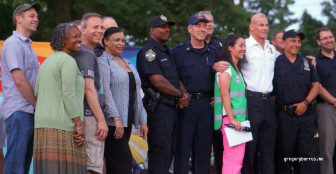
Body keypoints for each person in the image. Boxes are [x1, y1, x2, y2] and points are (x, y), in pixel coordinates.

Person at [137, 15, 189, 174]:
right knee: (160, 153)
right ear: (152, 31)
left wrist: (185, 93)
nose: (167, 30)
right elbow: (158, 81)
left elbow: (174, 78)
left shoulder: (167, 51)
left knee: (169, 152)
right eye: (162, 27)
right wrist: (180, 95)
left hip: (172, 109)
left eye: (168, 27)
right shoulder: (149, 52)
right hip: (159, 109)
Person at [33, 23, 86, 174]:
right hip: (63, 125)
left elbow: (37, 92)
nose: (79, 40)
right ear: (63, 40)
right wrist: (79, 124)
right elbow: (68, 93)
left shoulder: (46, 62)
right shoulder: (68, 61)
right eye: (75, 37)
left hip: (42, 125)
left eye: (79, 36)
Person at [171, 13, 220, 174]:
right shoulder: (177, 52)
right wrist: (178, 96)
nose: (202, 29)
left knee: (203, 153)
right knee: (182, 152)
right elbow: (171, 78)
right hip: (185, 106)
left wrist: (217, 96)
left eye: (204, 26)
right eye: (198, 26)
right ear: (189, 29)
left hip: (207, 107)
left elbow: (223, 80)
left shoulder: (214, 53)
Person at [98, 27, 148, 174]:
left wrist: (143, 121)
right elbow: (105, 91)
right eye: (116, 40)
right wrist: (116, 118)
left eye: (123, 40)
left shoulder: (128, 63)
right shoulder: (103, 61)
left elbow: (137, 94)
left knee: (117, 165)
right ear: (105, 42)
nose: (121, 43)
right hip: (113, 124)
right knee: (123, 164)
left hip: (128, 121)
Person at [0, 3, 41, 173]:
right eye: (31, 15)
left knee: (23, 166)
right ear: (18, 18)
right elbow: (20, 80)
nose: (36, 19)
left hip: (28, 111)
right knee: (15, 166)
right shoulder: (13, 44)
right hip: (19, 111)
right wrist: (38, 105)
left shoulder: (27, 46)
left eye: (37, 16)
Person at [274, 29, 319, 174]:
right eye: (293, 41)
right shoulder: (275, 63)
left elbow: (316, 85)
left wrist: (305, 103)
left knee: (307, 156)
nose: (297, 44)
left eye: (299, 41)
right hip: (284, 117)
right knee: (285, 156)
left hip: (306, 116)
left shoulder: (307, 61)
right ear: (284, 43)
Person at [240, 13, 278, 174]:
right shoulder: (244, 46)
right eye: (261, 25)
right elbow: (230, 64)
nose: (265, 28)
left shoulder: (272, 48)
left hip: (269, 103)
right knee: (250, 149)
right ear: (252, 27)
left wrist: (309, 59)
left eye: (266, 25)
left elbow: (286, 61)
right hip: (250, 101)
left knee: (269, 149)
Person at [73, 13, 108, 174]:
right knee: (92, 167)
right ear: (83, 30)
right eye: (95, 27)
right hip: (88, 116)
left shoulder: (85, 52)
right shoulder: (85, 53)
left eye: (101, 27)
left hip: (84, 115)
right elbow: (89, 89)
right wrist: (101, 120)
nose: (100, 31)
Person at [214, 34, 247, 174]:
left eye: (245, 45)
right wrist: (232, 119)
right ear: (230, 48)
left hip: (237, 120)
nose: (244, 49)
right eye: (241, 45)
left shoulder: (236, 69)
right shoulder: (226, 69)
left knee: (235, 160)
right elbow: (225, 93)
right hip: (231, 120)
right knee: (233, 160)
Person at [198, 11, 225, 174]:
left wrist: (220, 96)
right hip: (200, 103)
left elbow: (231, 73)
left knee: (221, 148)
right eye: (204, 21)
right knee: (201, 148)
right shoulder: (191, 45)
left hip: (219, 104)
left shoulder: (221, 45)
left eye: (211, 21)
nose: (208, 24)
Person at [315, 27, 336, 174]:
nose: (329, 40)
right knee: (327, 150)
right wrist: (334, 101)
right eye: (324, 38)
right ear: (319, 42)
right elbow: (318, 87)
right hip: (326, 108)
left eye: (330, 37)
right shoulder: (316, 62)